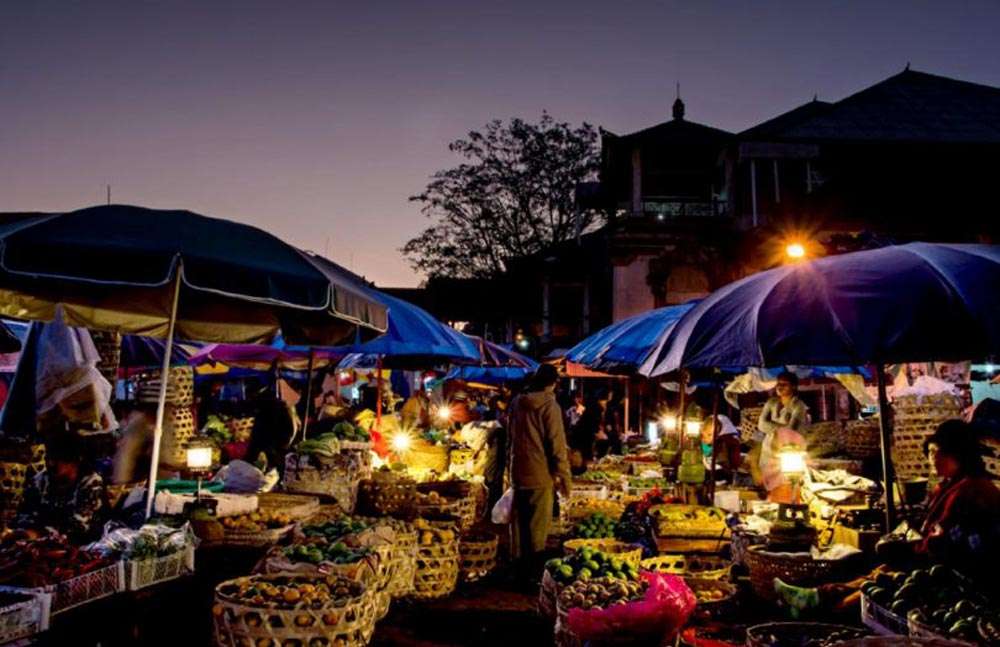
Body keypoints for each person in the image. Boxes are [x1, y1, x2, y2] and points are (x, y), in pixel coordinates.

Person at [775, 419, 1000, 615]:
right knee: (880, 572)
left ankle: (821, 605)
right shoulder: (953, 485)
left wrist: (907, 550)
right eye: (929, 452)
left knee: (878, 586)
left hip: (963, 577)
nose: (930, 459)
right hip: (939, 562)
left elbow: (946, 544)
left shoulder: (971, 490)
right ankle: (816, 596)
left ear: (954, 453)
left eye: (934, 452)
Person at [507, 364, 572, 576]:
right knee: (536, 529)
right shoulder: (549, 406)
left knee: (519, 527)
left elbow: (511, 437)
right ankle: (531, 575)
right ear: (553, 384)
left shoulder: (517, 402)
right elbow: (557, 445)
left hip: (518, 470)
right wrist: (565, 479)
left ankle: (517, 570)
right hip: (540, 473)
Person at [18, 436, 106, 543]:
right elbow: (25, 513)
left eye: (57, 459)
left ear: (75, 461)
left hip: (81, 545)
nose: (50, 464)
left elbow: (80, 526)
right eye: (48, 458)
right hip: (37, 543)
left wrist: (40, 533)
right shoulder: (39, 480)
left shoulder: (91, 482)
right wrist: (25, 531)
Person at [754, 371, 809, 498]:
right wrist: (780, 429)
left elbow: (789, 430)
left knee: (786, 489)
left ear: (794, 387)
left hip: (788, 453)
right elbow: (761, 425)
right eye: (778, 384)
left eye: (785, 384)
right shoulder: (771, 402)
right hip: (767, 452)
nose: (780, 387)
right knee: (769, 491)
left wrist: (773, 427)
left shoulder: (798, 406)